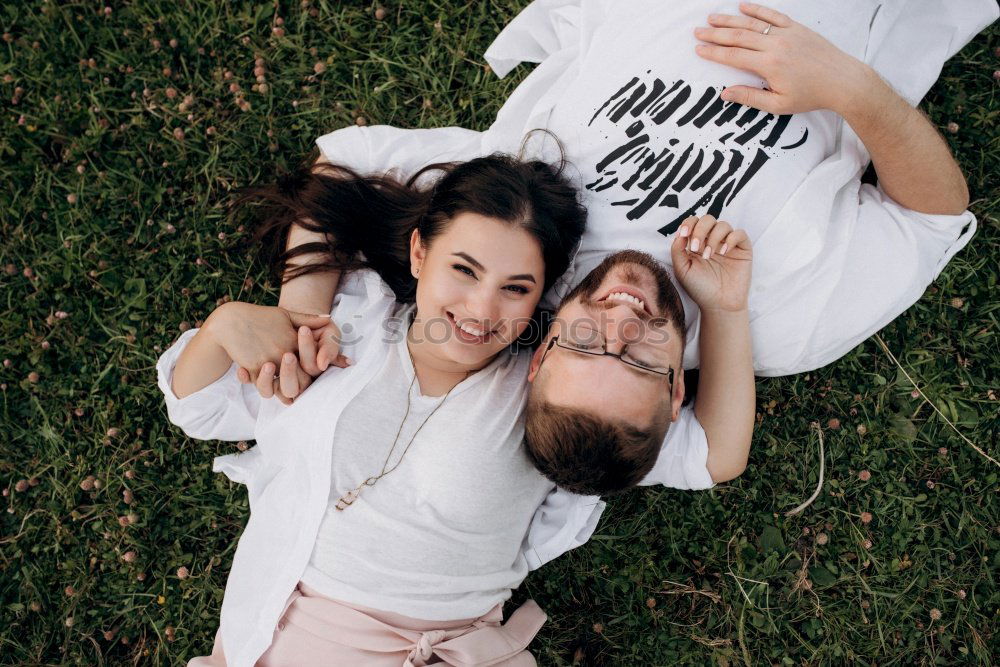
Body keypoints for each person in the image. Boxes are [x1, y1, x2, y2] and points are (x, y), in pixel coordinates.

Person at [156, 150, 756, 664]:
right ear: (418, 254)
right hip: (260, 633)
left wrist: (726, 310)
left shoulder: (558, 395)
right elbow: (201, 409)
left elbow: (714, 453)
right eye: (462, 270)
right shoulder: (346, 329)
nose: (480, 309)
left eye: (517, 288)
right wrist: (227, 324)